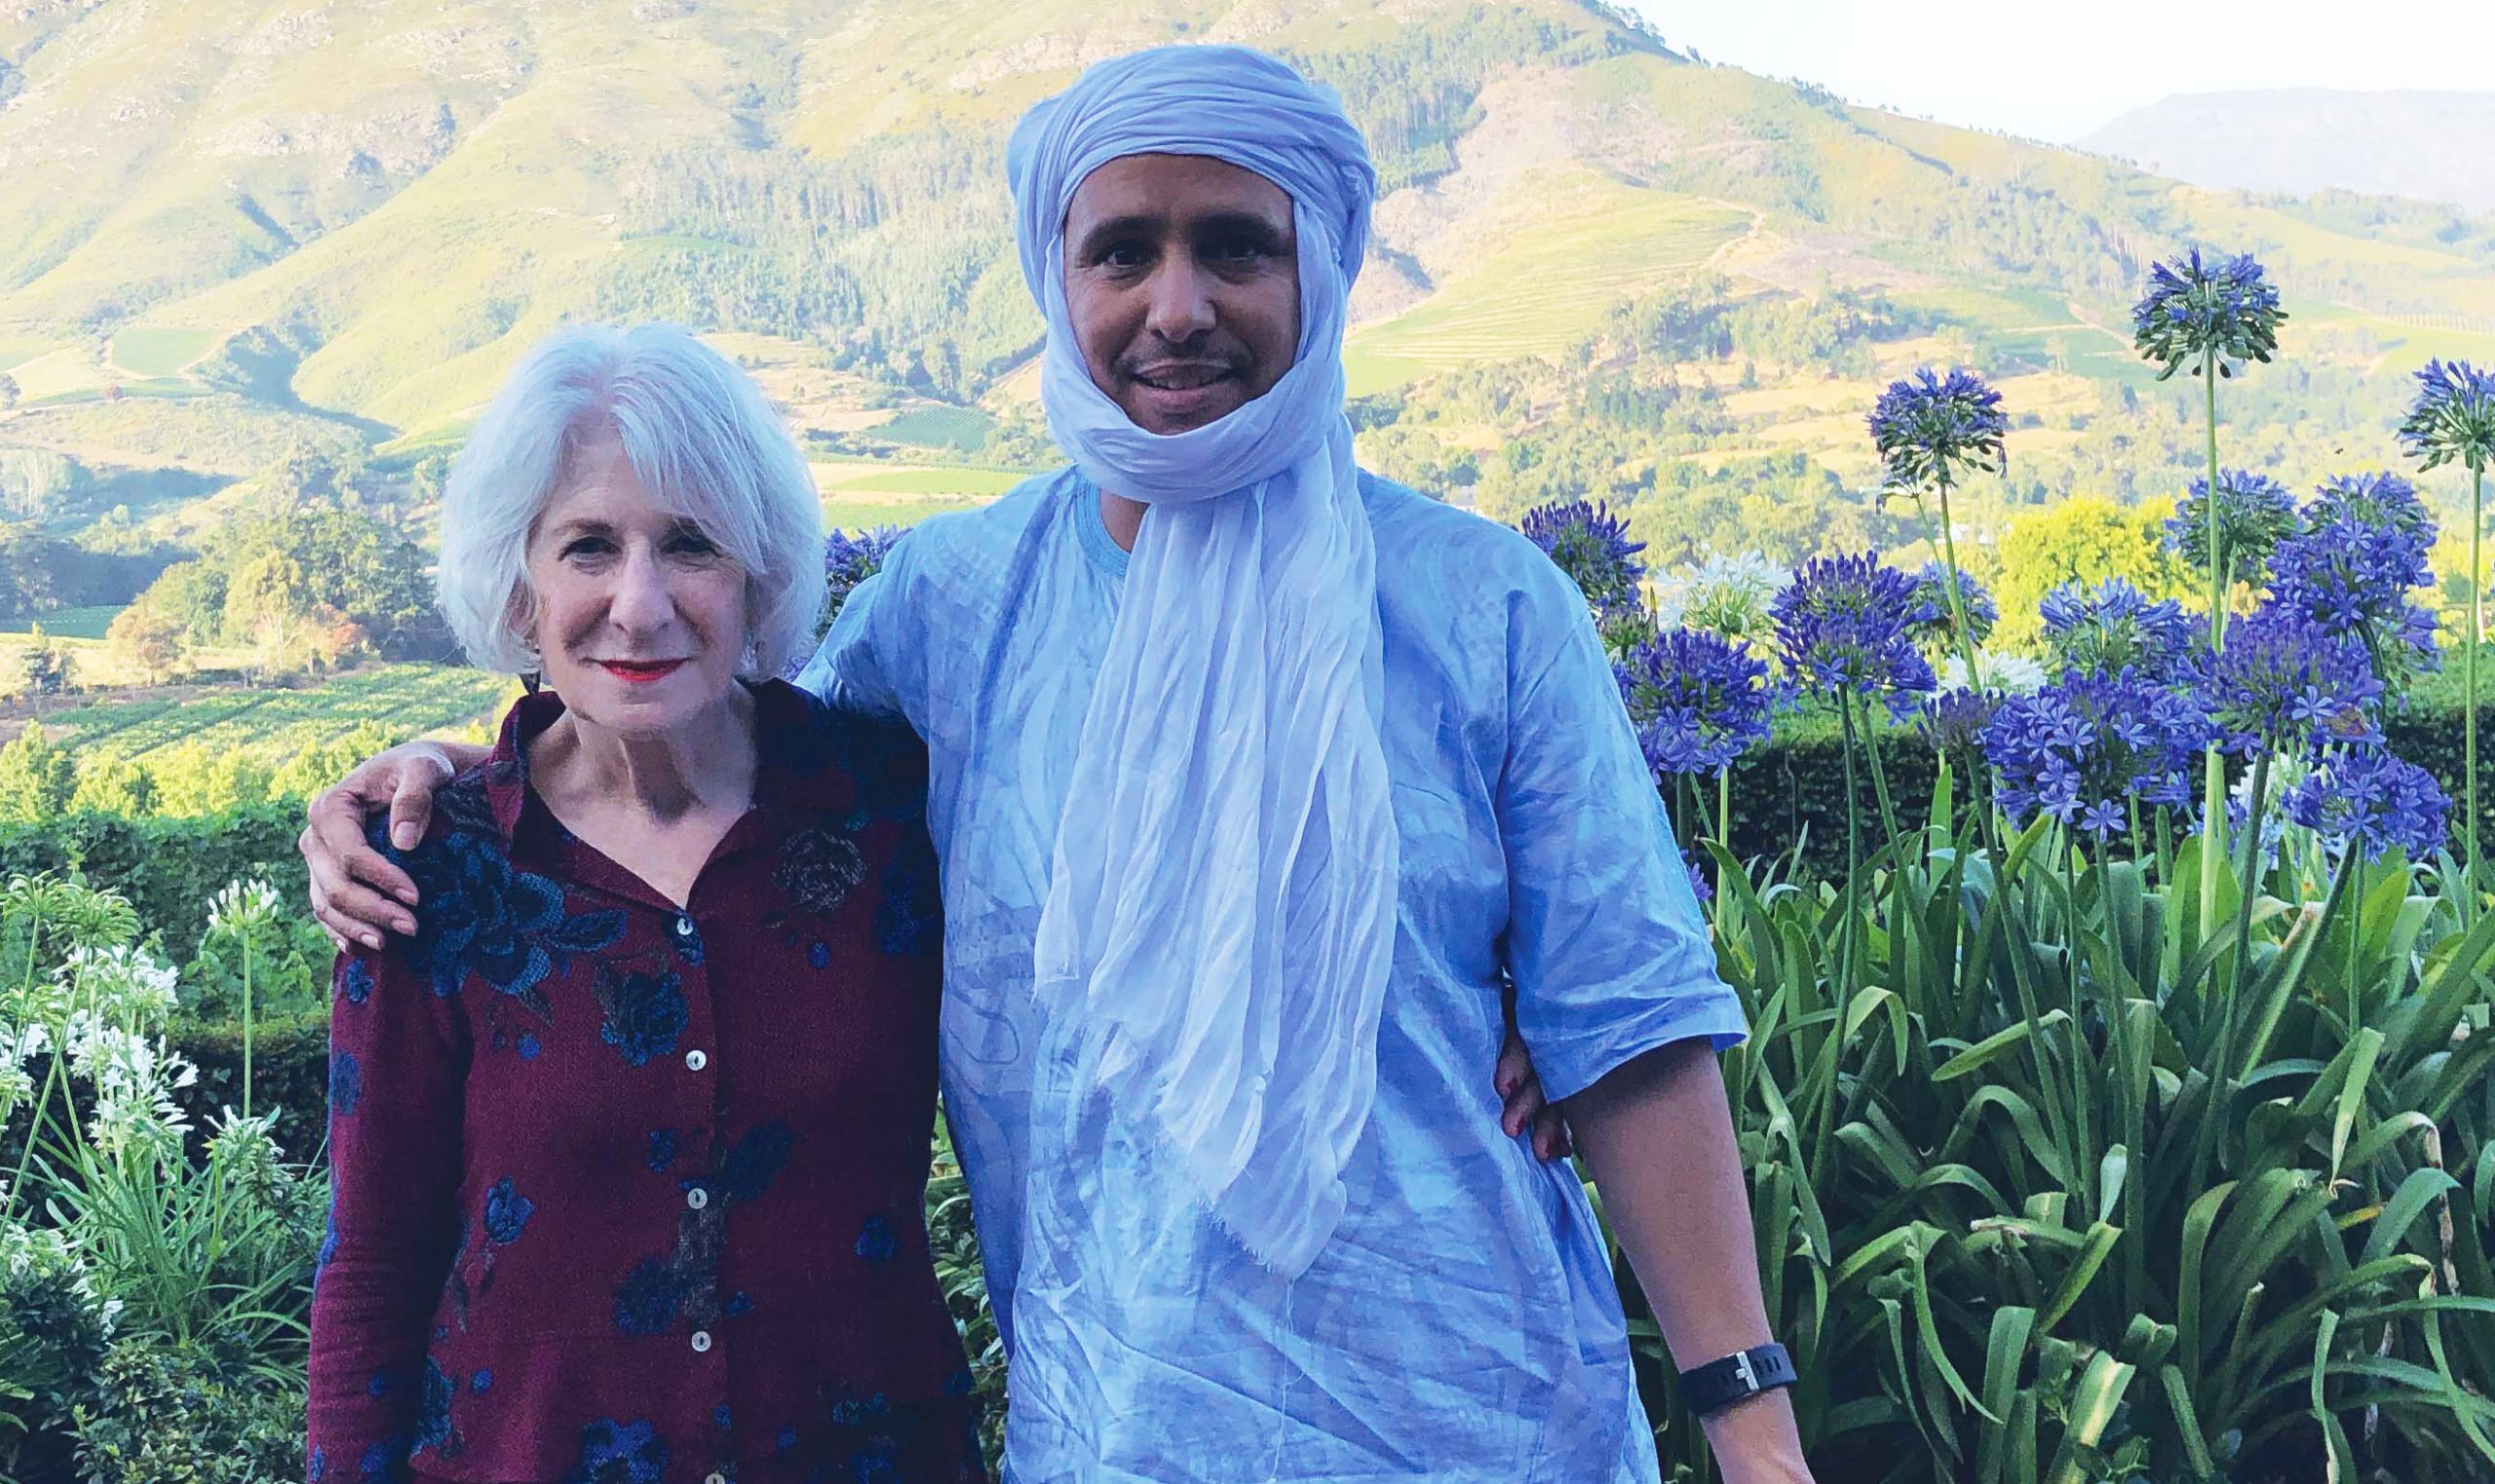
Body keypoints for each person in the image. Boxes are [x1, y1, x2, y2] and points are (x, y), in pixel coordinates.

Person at [304, 47, 1813, 1484]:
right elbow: (698, 724)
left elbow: (1634, 1032)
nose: (1178, 304)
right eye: (1122, 254)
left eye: (1236, 247)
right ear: (1056, 279)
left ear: (1321, 275)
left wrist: (1750, 1424)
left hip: (1474, 1410)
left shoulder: (1483, 610)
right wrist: (448, 764)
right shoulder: (966, 603)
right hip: (1116, 1423)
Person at [305, 324, 987, 1484]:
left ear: (758, 573)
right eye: (586, 546)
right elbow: (373, 1257)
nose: (640, 603)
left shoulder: (892, 810)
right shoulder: (429, 866)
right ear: (521, 586)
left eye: (689, 545)